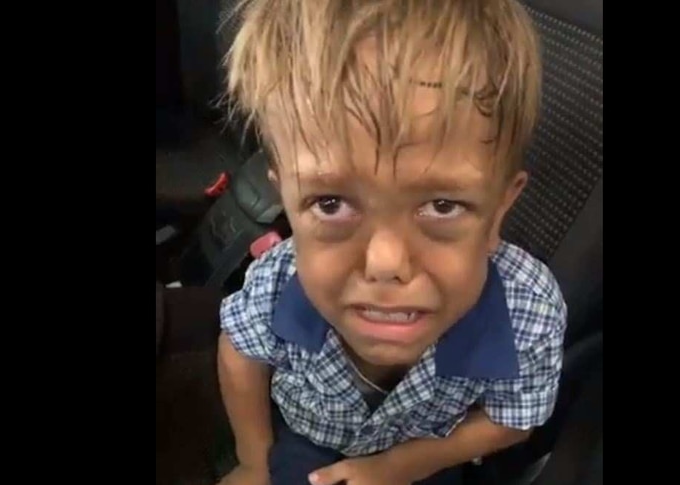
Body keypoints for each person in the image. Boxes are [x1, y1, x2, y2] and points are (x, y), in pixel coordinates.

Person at [216, 1, 567, 484]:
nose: (386, 263)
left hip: (426, 457)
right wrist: (254, 460)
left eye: (443, 205)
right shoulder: (277, 281)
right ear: (287, 201)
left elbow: (514, 417)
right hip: (305, 440)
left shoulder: (528, 309)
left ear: (498, 212)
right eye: (331, 202)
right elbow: (240, 355)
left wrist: (397, 467)